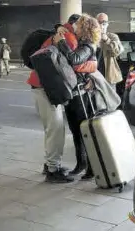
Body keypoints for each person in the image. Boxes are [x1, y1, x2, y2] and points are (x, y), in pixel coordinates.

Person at [27, 14, 96, 183]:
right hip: (47, 89)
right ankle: (53, 170)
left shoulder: (60, 34)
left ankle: (51, 165)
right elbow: (74, 64)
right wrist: (91, 69)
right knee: (56, 130)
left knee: (52, 129)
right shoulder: (68, 39)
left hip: (42, 86)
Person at [54, 14, 100, 180]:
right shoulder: (80, 42)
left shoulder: (88, 45)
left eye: (78, 26)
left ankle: (92, 167)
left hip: (82, 97)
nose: (75, 28)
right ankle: (81, 164)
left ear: (85, 28)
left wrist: (61, 43)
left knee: (84, 132)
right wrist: (59, 28)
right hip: (73, 94)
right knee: (75, 131)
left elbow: (74, 59)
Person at [96, 13, 124, 90]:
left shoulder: (112, 36)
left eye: (104, 22)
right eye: (99, 22)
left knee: (111, 100)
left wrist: (106, 40)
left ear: (108, 24)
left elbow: (118, 51)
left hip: (109, 76)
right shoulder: (92, 37)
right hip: (94, 76)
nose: (102, 25)